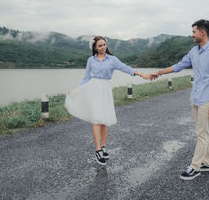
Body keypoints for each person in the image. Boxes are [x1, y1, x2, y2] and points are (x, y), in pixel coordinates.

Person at [150, 19, 209, 180]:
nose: (192, 35)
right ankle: (208, 162)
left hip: (206, 99)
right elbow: (179, 66)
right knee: (204, 132)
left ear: (202, 32)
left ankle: (195, 167)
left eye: (194, 32)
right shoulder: (193, 51)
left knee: (201, 133)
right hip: (195, 97)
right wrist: (159, 72)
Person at [65, 36, 151, 166]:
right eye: (100, 46)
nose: (103, 47)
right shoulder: (90, 60)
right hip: (93, 90)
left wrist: (142, 74)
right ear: (95, 48)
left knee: (104, 119)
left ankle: (104, 147)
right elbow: (86, 78)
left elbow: (126, 68)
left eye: (104, 45)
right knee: (96, 119)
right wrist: (76, 90)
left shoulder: (112, 60)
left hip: (105, 90)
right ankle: (97, 150)